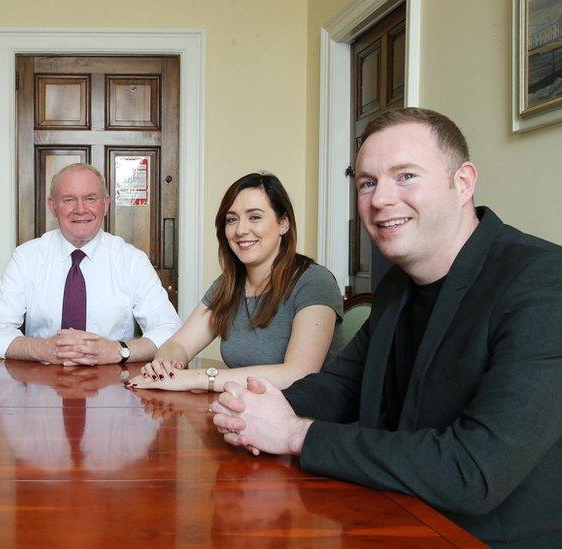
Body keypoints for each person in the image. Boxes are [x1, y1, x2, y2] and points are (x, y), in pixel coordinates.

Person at [212, 108, 562, 547]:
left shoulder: (543, 282)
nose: (380, 200)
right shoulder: (399, 283)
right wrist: (254, 406)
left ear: (463, 182)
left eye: (406, 176)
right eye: (368, 183)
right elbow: (342, 386)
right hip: (390, 514)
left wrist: (294, 433)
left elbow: (472, 472)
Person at [126, 173, 343, 392]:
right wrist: (166, 366)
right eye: (232, 219)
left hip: (306, 420)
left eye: (255, 217)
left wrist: (201, 378)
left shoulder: (315, 281)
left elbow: (298, 374)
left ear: (284, 223)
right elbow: (178, 344)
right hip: (243, 412)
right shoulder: (228, 284)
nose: (240, 230)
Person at [0, 163, 181, 365]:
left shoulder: (132, 261)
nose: (81, 209)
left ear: (106, 204)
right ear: (52, 206)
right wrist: (44, 349)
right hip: (42, 384)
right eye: (69, 199)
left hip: (114, 384)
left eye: (90, 198)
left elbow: (170, 330)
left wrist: (119, 350)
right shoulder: (26, 258)